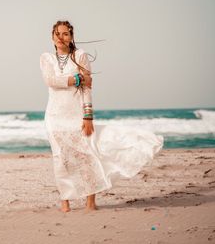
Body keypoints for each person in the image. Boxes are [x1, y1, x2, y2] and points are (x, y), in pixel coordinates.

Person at [39, 20, 164, 213]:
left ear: (71, 36)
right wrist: (78, 79)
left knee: (87, 156)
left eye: (65, 34)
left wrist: (87, 117)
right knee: (61, 159)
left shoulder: (80, 56)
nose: (60, 37)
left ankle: (90, 202)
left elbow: (87, 89)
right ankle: (65, 201)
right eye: (57, 34)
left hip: (77, 115)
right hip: (55, 117)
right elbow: (51, 81)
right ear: (51, 37)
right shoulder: (46, 58)